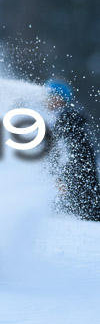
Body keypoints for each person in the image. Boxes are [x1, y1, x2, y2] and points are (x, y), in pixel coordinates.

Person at [45, 79, 100, 221]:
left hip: (81, 188)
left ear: (60, 99)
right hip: (78, 186)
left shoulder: (68, 118)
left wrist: (60, 176)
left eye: (50, 97)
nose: (46, 101)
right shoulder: (67, 116)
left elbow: (65, 153)